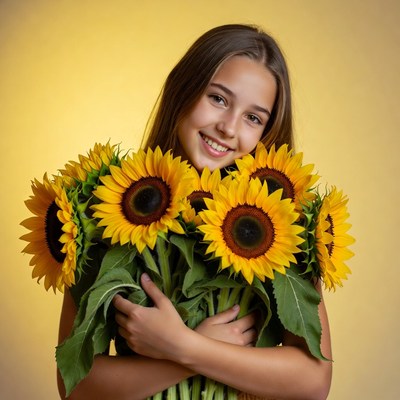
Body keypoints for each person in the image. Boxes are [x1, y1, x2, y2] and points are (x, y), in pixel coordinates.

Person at [57, 24, 332, 400]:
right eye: (218, 99)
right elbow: (75, 385)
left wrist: (184, 347)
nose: (228, 127)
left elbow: (313, 382)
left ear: (267, 132)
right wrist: (181, 354)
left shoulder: (280, 227)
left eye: (253, 118)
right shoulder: (105, 209)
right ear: (182, 89)